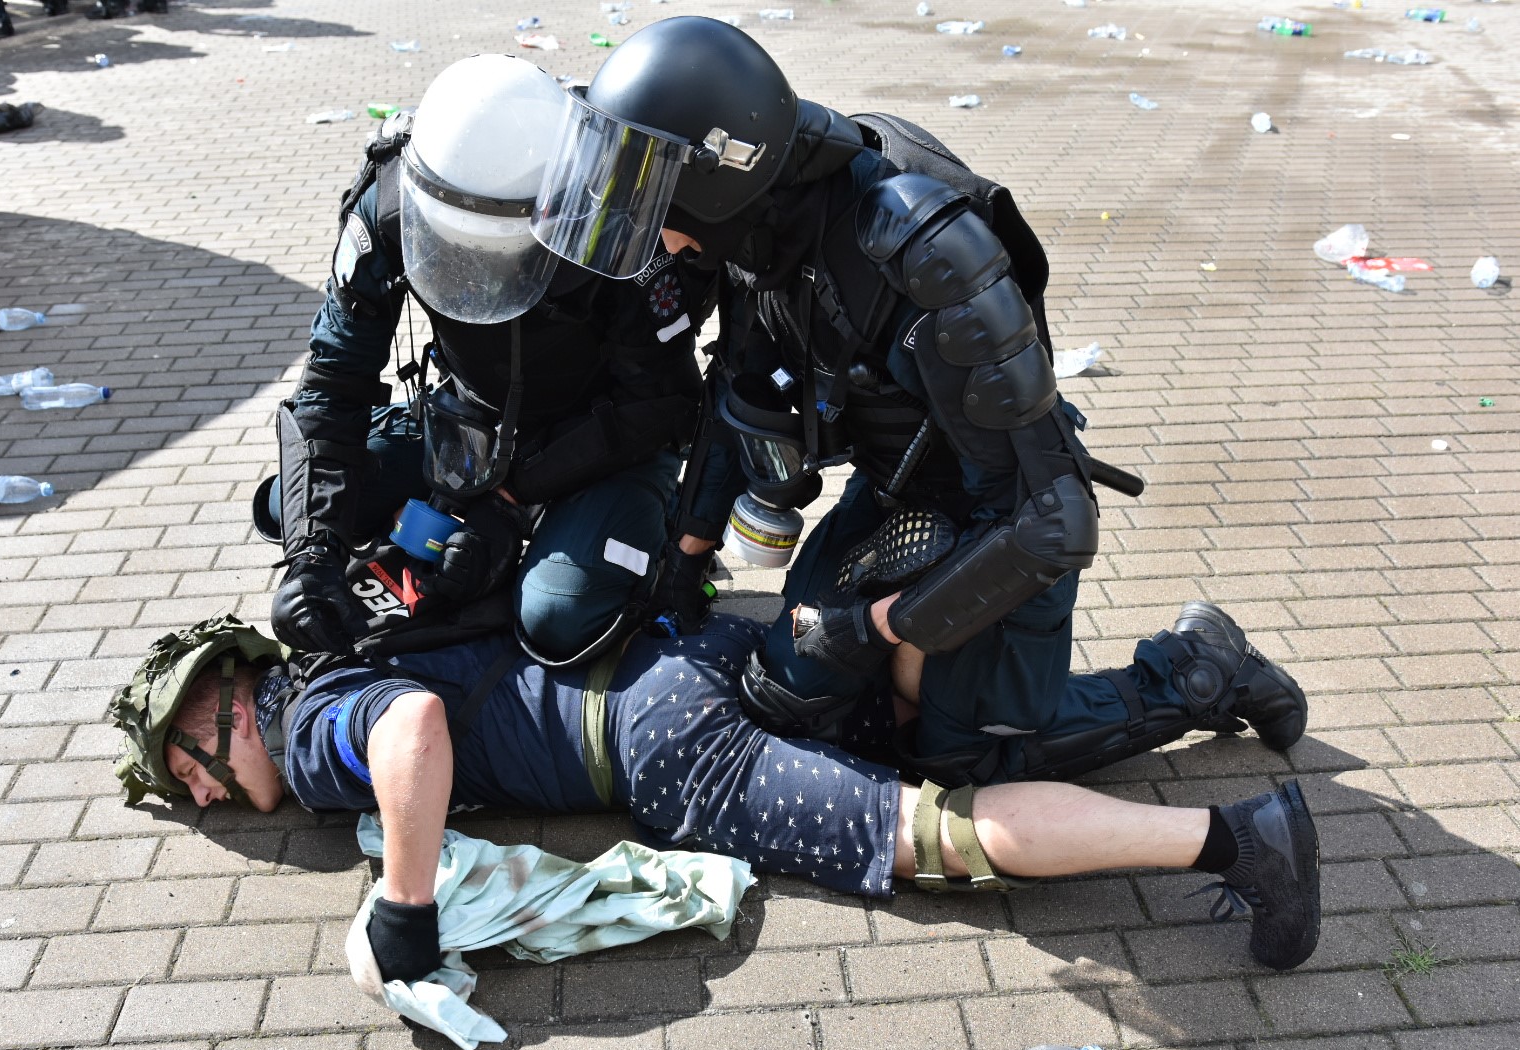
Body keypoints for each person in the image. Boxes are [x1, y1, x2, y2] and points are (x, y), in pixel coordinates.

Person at [528, 16, 1308, 789]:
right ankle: (919, 675)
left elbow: (1055, 521)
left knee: (962, 757)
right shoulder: (759, 224)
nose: (650, 228)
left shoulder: (921, 249)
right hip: (898, 492)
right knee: (790, 695)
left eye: (656, 198)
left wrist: (873, 629)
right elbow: (741, 395)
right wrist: (682, 564)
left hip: (1004, 514)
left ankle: (1201, 667)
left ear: (718, 175)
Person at [113, 609, 1323, 987]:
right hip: (687, 655)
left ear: (221, 708)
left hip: (666, 754)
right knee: (948, 743)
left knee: (935, 834)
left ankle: (1241, 842)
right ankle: (1194, 668)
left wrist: (405, 909)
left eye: (186, 773)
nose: (204, 801)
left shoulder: (308, 732)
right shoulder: (344, 635)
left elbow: (413, 733)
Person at [261, 54, 715, 669]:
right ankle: (450, 525)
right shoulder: (388, 202)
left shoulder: (613, 216)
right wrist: (312, 554)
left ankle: (640, 525)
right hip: (470, 417)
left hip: (603, 437)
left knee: (556, 616)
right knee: (290, 506)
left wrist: (509, 500)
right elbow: (334, 379)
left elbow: (661, 404)